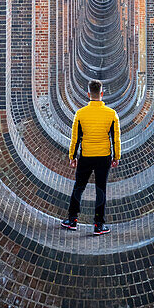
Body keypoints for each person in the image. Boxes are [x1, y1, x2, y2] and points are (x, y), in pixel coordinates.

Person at [61, 79, 120, 235]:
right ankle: (98, 225)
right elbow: (115, 138)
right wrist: (116, 156)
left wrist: (72, 156)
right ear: (102, 94)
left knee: (79, 187)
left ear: (88, 94)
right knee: (101, 190)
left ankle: (72, 220)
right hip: (104, 157)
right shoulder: (111, 114)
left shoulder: (80, 114)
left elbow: (76, 138)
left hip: (86, 156)